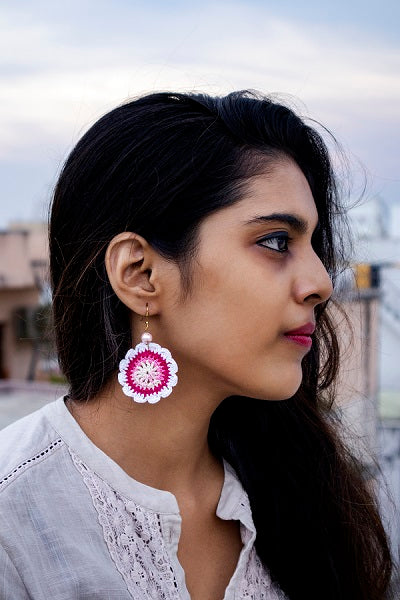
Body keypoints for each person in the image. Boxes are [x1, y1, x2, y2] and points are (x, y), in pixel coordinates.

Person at [0, 91, 393, 600]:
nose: (320, 281)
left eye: (314, 246)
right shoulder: (16, 516)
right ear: (140, 274)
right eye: (276, 241)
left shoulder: (305, 497)